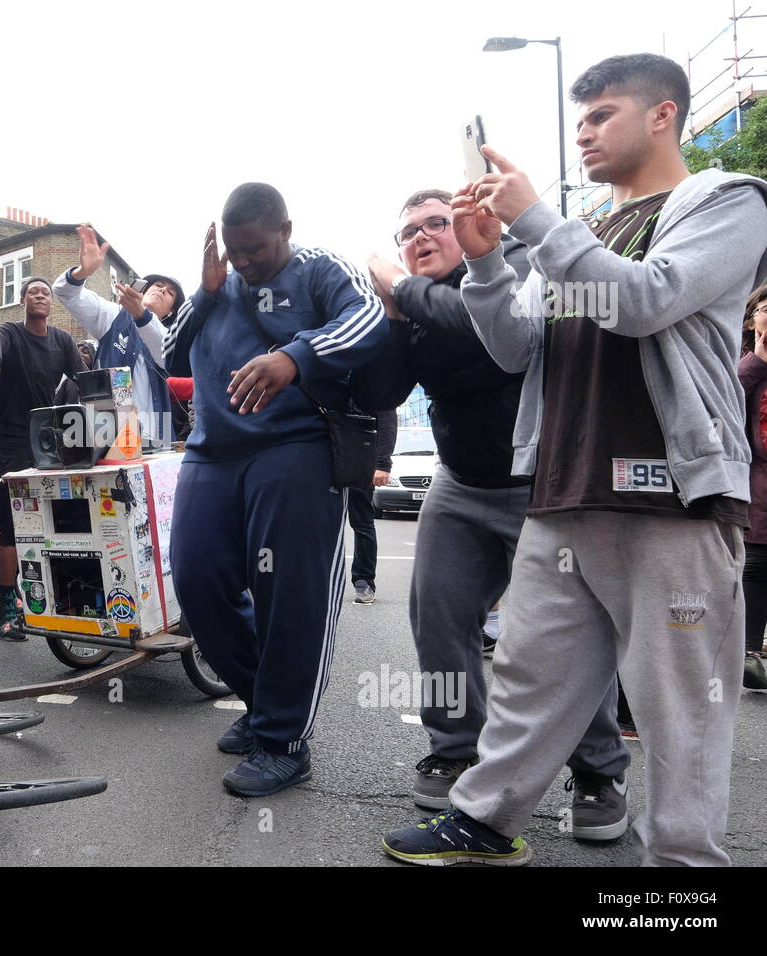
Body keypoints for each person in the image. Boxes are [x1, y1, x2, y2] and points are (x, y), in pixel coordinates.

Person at [382, 54, 767, 867]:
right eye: (580, 118)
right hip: (562, 489)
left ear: (663, 115)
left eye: (601, 116)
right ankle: (485, 821)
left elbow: (646, 299)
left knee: (677, 707)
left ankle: (683, 871)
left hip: (669, 496)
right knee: (530, 678)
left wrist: (533, 224)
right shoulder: (587, 228)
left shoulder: (728, 202)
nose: (584, 132)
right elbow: (516, 347)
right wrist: (487, 259)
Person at [356, 187, 628, 833]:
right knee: (439, 618)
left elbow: (493, 338)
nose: (419, 238)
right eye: (408, 232)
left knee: (564, 640)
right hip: (462, 483)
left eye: (436, 224)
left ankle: (597, 773)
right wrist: (393, 315)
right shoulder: (413, 303)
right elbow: (379, 392)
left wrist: (405, 288)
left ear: (472, 227)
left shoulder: (514, 266)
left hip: (544, 484)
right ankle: (454, 753)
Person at [163, 182, 387, 797]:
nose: (243, 263)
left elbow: (368, 320)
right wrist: (205, 293)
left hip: (295, 448)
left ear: (286, 228)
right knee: (197, 577)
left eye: (255, 250)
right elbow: (168, 355)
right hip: (212, 450)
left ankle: (284, 740)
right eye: (234, 252)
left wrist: (297, 354)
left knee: (291, 593)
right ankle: (263, 702)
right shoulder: (219, 284)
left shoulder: (320, 268)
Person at [0, 277, 84, 639]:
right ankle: (7, 602)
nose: (40, 296)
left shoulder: (62, 340)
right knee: (12, 526)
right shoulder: (8, 332)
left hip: (50, 445)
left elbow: (84, 381)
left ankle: (52, 595)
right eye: (33, 292)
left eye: (46, 292)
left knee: (53, 522)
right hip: (11, 444)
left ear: (51, 303)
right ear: (22, 300)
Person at [52, 225, 183, 444]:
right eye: (158, 285)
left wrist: (141, 315)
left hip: (154, 438)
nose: (162, 291)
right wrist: (82, 272)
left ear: (171, 311)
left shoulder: (170, 335)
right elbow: (65, 293)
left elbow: (167, 355)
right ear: (143, 290)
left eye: (170, 293)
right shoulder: (112, 316)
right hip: (109, 435)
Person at [738, 281, 767, 690]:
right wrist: (759, 358)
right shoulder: (744, 364)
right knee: (756, 565)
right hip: (756, 485)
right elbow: (725, 398)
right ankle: (749, 653)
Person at [345, 408, 396, 604]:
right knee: (320, 523)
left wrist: (383, 464)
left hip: (360, 459)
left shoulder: (368, 380)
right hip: (326, 456)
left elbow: (387, 419)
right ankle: (317, 578)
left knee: (362, 523)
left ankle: (364, 581)